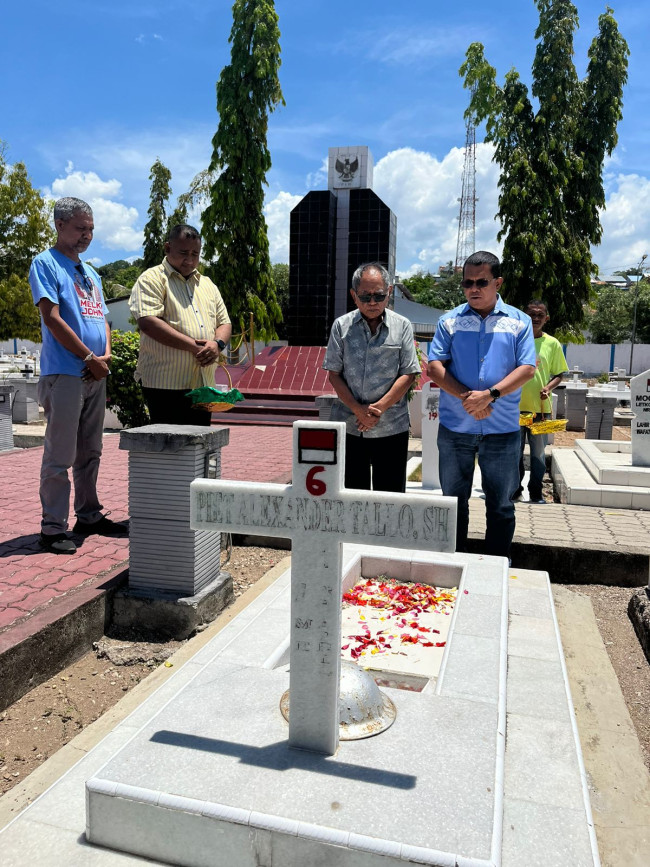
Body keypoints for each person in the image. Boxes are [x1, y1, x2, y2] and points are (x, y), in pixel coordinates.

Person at [29, 197, 127, 554]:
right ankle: (52, 528)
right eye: (79, 228)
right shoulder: (45, 264)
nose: (86, 235)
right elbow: (52, 318)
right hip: (66, 373)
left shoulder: (91, 273)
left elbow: (102, 317)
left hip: (94, 372)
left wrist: (106, 355)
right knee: (60, 454)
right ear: (59, 225)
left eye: (91, 229)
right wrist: (87, 356)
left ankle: (88, 514)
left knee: (91, 450)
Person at [427, 251, 536, 558]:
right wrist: (468, 398)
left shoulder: (519, 322)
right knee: (453, 502)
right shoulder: (449, 321)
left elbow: (527, 368)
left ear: (498, 282)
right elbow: (434, 366)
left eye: (482, 282)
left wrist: (489, 396)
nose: (473, 288)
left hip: (501, 430)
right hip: (455, 428)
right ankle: (454, 562)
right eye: (467, 283)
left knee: (501, 503)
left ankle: (496, 566)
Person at [323, 262, 421, 492]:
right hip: (349, 425)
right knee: (351, 497)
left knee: (391, 498)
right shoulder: (341, 326)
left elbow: (409, 373)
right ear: (353, 296)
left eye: (379, 296)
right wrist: (358, 410)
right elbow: (334, 375)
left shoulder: (402, 326)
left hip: (391, 427)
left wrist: (377, 409)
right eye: (365, 297)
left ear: (388, 292)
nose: (373, 303)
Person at [129, 224, 232, 425]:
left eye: (196, 253)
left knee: (198, 449)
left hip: (202, 384)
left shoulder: (207, 284)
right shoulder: (151, 279)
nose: (190, 259)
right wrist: (195, 348)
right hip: (165, 385)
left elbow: (224, 322)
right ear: (167, 248)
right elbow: (149, 323)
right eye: (183, 252)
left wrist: (217, 344)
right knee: (169, 451)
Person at [514, 300, 568, 504]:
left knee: (537, 454)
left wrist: (548, 387)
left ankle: (535, 492)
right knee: (514, 453)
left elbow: (559, 374)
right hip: (515, 409)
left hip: (541, 411)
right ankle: (515, 490)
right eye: (531, 314)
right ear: (524, 316)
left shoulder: (552, 343)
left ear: (546, 318)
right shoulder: (516, 340)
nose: (535, 318)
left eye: (540, 315)